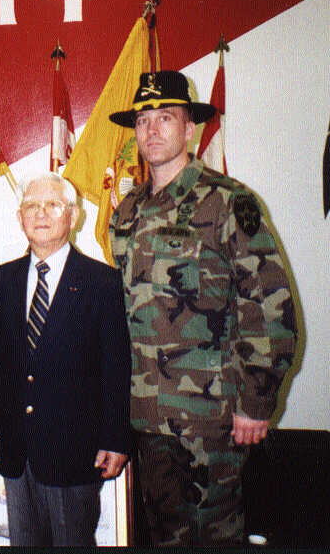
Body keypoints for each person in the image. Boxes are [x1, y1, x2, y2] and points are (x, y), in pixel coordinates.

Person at [108, 71, 297, 546]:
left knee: (211, 540)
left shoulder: (228, 203)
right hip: (146, 416)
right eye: (143, 120)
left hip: (209, 417)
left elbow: (270, 305)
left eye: (164, 118)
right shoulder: (127, 212)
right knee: (163, 536)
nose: (151, 130)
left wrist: (255, 403)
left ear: (189, 128)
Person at [0, 172, 131, 546]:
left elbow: (116, 368)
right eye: (31, 206)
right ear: (20, 217)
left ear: (73, 216)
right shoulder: (1, 280)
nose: (40, 214)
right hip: (15, 447)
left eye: (52, 205)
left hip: (76, 450)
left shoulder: (103, 282)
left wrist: (116, 438)